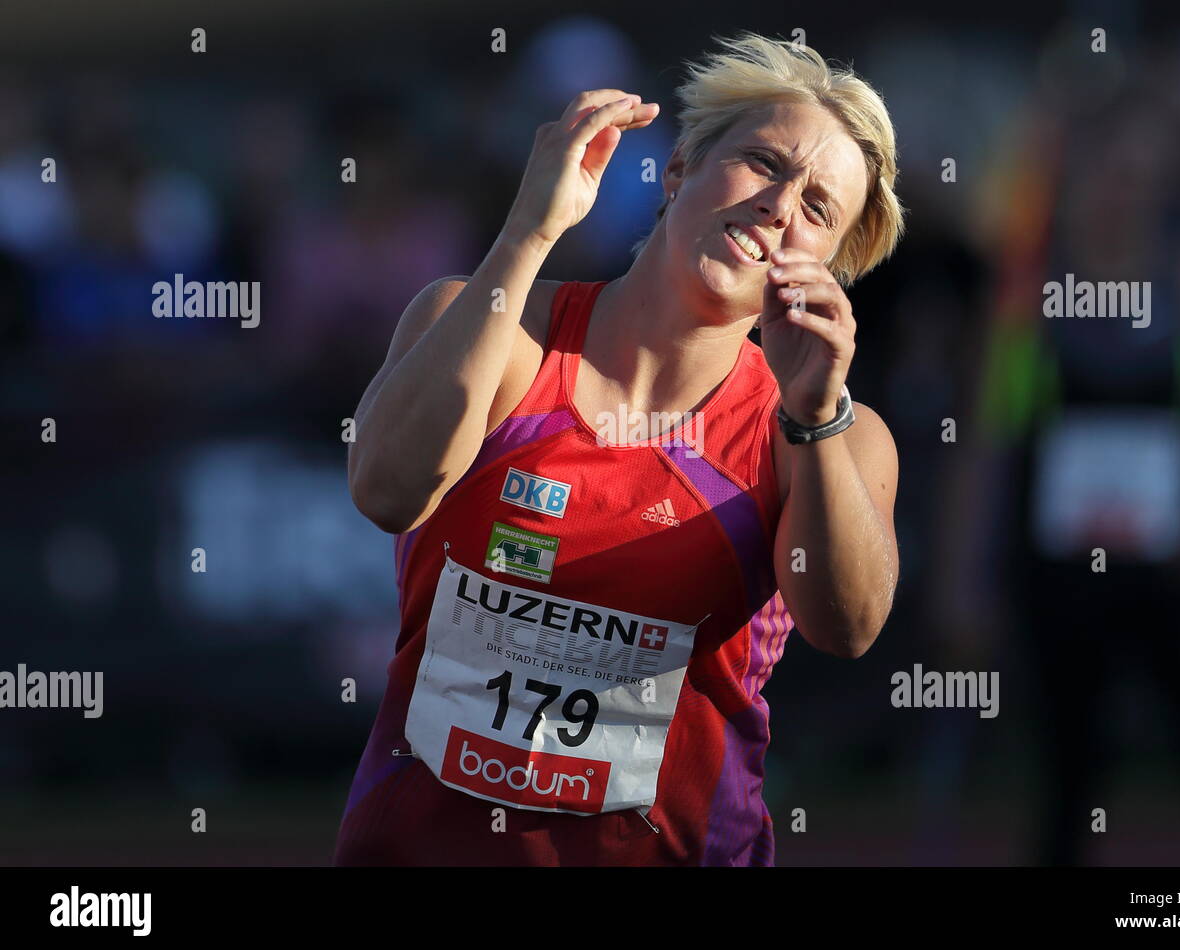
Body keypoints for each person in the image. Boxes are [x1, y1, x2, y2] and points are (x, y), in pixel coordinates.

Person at [334, 32, 904, 866]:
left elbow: (845, 628)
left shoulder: (829, 433)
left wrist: (813, 418)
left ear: (831, 268)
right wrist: (528, 235)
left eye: (818, 208)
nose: (781, 205)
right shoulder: (493, 328)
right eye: (763, 162)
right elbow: (386, 490)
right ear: (676, 171)